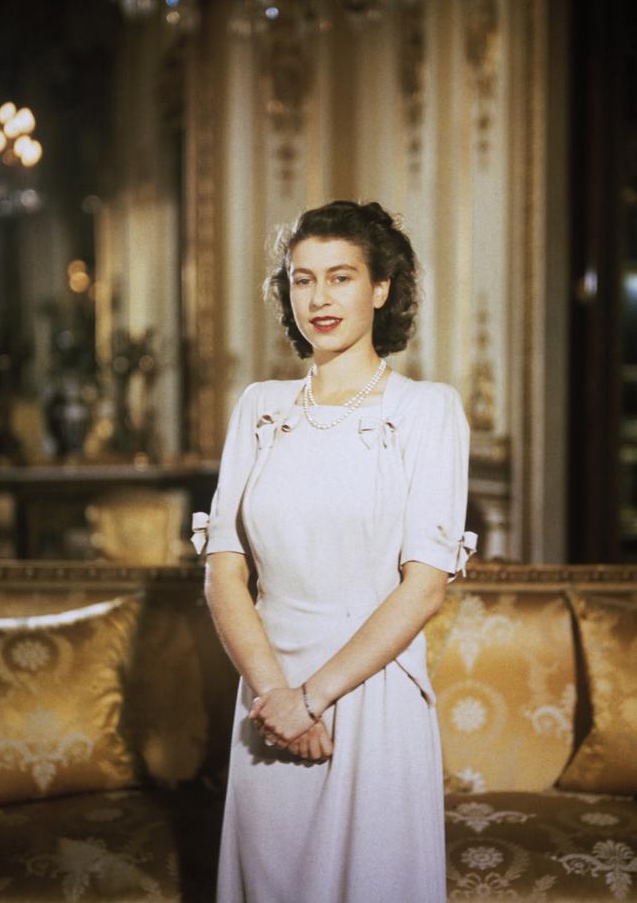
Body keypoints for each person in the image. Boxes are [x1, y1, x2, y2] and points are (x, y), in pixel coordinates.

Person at [191, 200, 477, 903]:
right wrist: (275, 697)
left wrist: (312, 699)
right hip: (267, 698)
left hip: (370, 697)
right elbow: (224, 572)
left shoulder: (427, 411)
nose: (319, 298)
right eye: (302, 279)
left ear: (381, 288)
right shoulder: (258, 406)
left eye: (341, 277)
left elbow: (425, 587)